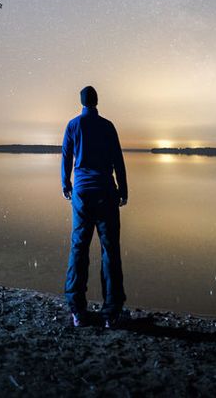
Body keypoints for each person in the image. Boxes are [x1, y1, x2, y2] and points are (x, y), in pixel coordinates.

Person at [61, 85, 127, 328]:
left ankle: (78, 311)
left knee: (78, 249)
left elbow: (66, 156)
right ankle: (111, 313)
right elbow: (118, 160)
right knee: (110, 252)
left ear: (81, 102)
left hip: (82, 194)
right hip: (106, 193)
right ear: (97, 101)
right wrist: (124, 189)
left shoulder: (73, 125)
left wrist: (65, 184)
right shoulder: (108, 126)